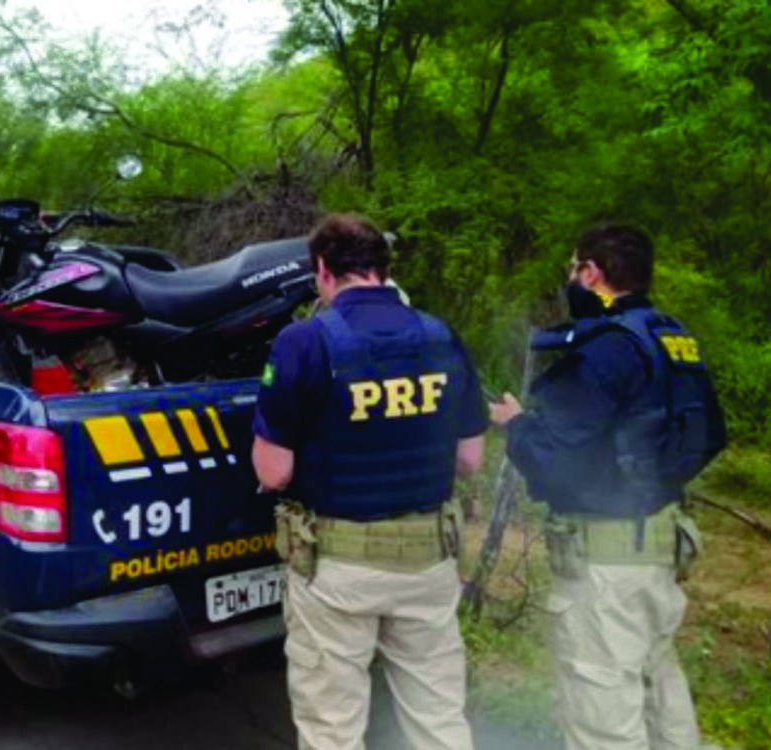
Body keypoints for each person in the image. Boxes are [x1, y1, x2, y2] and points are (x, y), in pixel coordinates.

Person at [252, 214, 488, 750]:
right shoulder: (440, 335)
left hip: (339, 570)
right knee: (439, 720)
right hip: (429, 560)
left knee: (333, 728)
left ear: (322, 271)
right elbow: (470, 458)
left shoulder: (302, 342)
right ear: (383, 268)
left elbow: (274, 471)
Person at [489, 222, 727, 750]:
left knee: (603, 714)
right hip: (661, 546)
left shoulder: (605, 349)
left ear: (592, 273)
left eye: (574, 269)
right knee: (658, 691)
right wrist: (646, 479)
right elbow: (710, 434)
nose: (571, 279)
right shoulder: (673, 337)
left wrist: (517, 424)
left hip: (606, 565)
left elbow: (553, 460)